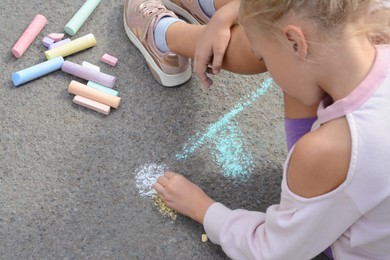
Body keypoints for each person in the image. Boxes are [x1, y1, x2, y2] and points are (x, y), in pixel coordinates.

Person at [124, 0, 390, 259]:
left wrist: (201, 208)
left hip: (354, 244)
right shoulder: (374, 15)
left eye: (262, 56)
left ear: (296, 42)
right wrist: (228, 13)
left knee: (295, 79)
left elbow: (274, 251)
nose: (268, 69)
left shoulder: (329, 149)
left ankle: (173, 32)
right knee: (299, 63)